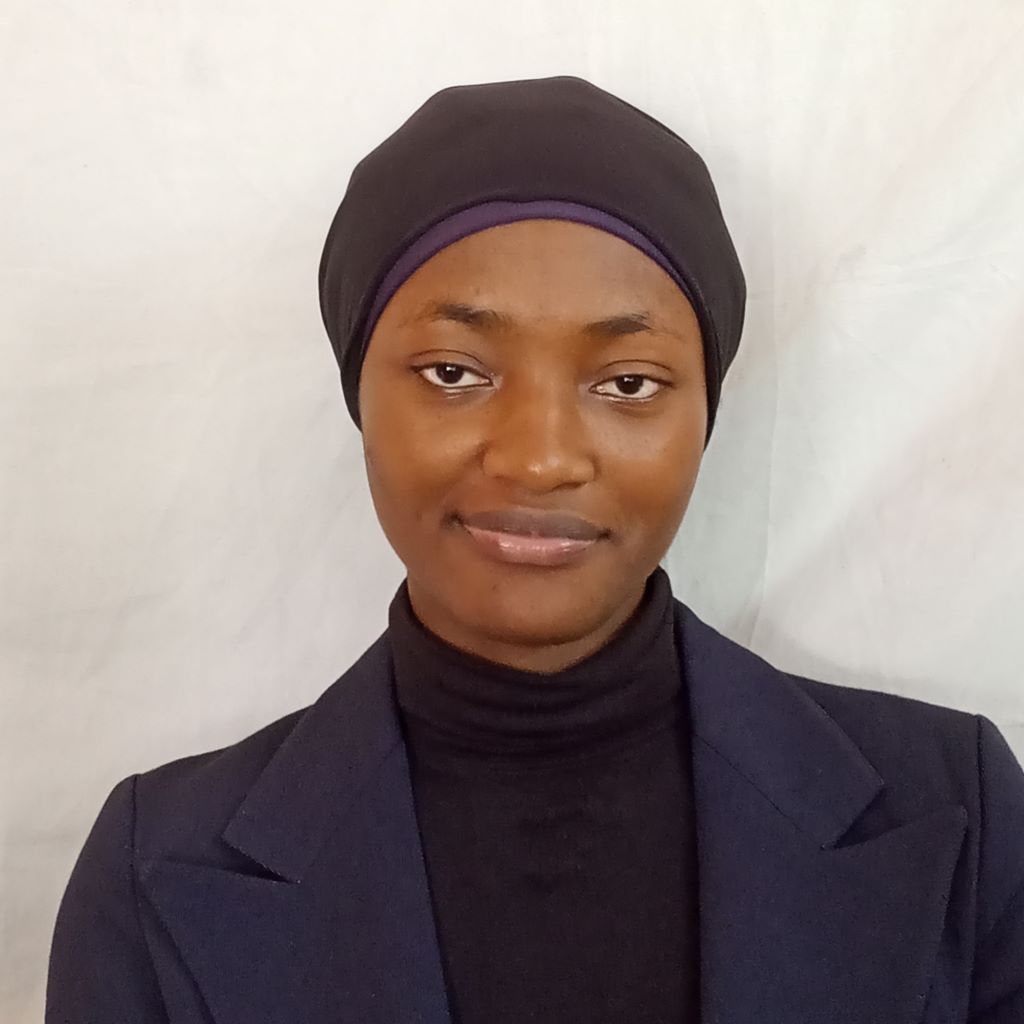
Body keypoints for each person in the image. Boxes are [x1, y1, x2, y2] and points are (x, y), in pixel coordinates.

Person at [46, 75, 1023, 1024]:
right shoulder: (154, 869)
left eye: (628, 383)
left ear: (704, 417)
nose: (541, 458)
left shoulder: (961, 816)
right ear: (359, 398)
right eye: (454, 371)